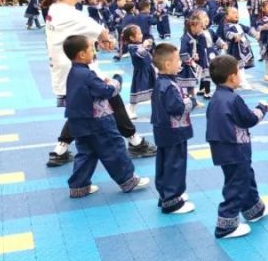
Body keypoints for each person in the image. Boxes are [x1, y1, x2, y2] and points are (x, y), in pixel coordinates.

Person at [44, 0, 155, 167]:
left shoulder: (57, 9)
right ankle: (135, 142)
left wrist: (99, 40)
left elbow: (82, 32)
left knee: (79, 110)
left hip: (69, 67)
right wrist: (106, 39)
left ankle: (59, 150)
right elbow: (99, 30)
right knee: (111, 98)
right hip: (77, 69)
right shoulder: (70, 13)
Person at [62, 35, 150, 198]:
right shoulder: (87, 75)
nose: (93, 51)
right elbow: (105, 91)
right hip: (97, 121)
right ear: (81, 54)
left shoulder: (74, 73)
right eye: (90, 49)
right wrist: (116, 81)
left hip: (79, 122)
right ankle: (128, 180)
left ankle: (78, 186)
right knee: (114, 148)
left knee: (86, 153)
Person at [205, 55, 268, 239]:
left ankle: (254, 209)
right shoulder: (233, 99)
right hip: (235, 148)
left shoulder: (216, 98)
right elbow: (249, 119)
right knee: (237, 183)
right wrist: (262, 108)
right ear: (232, 77)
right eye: (238, 72)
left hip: (222, 148)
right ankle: (226, 225)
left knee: (244, 177)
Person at [150, 43, 196, 214]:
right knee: (175, 164)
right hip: (173, 131)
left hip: (163, 130)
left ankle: (166, 195)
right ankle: (172, 200)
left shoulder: (162, 82)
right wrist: (191, 101)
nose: (180, 63)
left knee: (164, 163)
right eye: (177, 60)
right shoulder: (168, 85)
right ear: (168, 64)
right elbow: (176, 107)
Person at [122, 25, 155, 119]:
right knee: (137, 91)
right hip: (141, 72)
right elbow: (140, 54)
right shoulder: (132, 47)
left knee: (155, 90)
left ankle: (157, 108)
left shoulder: (138, 45)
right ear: (132, 38)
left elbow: (147, 51)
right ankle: (130, 108)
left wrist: (149, 44)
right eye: (139, 33)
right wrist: (145, 45)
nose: (141, 35)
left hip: (149, 69)